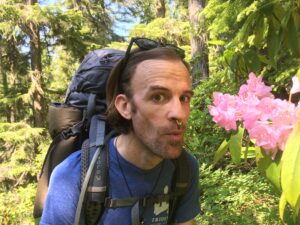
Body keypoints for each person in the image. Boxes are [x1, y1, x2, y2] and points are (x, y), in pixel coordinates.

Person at [40, 37, 200, 225]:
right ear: (124, 106)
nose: (179, 113)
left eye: (184, 98)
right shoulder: (73, 176)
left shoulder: (183, 168)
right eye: (158, 97)